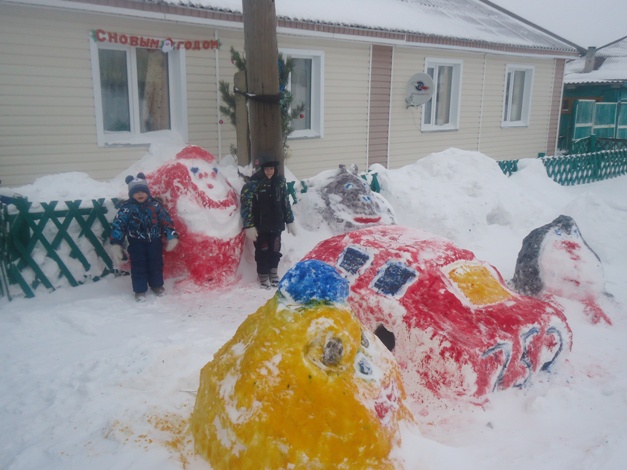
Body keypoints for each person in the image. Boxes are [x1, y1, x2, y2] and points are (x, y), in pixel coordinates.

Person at [110, 173, 179, 302]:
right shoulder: (127, 209)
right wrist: (116, 243)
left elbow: (166, 221)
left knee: (156, 264)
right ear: (131, 194)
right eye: (136, 192)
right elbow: (118, 225)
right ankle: (139, 290)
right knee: (138, 266)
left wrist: (171, 236)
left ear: (147, 192)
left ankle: (157, 285)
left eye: (142, 191)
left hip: (155, 242)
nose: (140, 194)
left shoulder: (156, 206)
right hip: (136, 244)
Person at [240, 159, 296, 288]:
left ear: (275, 169)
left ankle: (273, 272)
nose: (269, 171)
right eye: (266, 169)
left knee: (275, 249)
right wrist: (249, 225)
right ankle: (263, 274)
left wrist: (289, 220)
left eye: (271, 169)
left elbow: (285, 202)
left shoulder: (279, 183)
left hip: (276, 224)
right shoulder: (253, 185)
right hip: (261, 225)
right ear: (262, 170)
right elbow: (246, 206)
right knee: (263, 251)